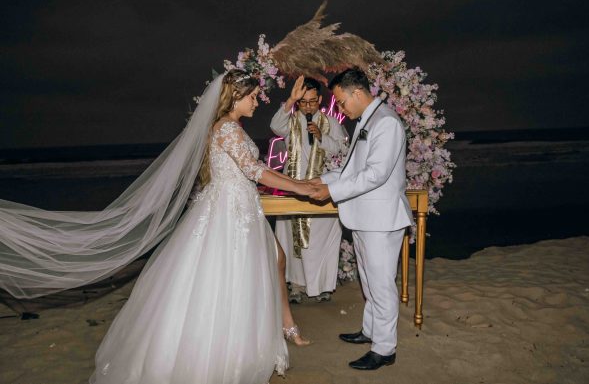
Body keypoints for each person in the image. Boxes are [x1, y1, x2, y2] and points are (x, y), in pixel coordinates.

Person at [88, 69, 314, 383]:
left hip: (241, 207)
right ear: (235, 97)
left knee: (265, 264)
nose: (256, 102)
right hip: (230, 213)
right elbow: (254, 170)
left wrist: (297, 184)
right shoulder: (227, 128)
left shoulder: (228, 126)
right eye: (251, 97)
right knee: (230, 276)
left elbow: (252, 168)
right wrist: (301, 188)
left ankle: (279, 329)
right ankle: (226, 353)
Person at [308, 68, 414, 371]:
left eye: (342, 102)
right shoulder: (367, 120)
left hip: (381, 218)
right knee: (368, 278)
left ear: (357, 93)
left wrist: (332, 191)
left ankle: (384, 348)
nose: (341, 109)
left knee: (381, 284)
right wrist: (322, 180)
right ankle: (370, 330)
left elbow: (376, 174)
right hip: (365, 216)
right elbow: (352, 169)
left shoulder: (386, 122)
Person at [270, 76, 347, 303]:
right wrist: (290, 100)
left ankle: (323, 286)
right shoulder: (290, 120)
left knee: (320, 241)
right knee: (292, 239)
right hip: (294, 189)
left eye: (312, 102)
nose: (308, 107)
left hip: (322, 190)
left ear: (320, 100)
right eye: (303, 102)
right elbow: (275, 126)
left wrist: (322, 137)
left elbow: (343, 151)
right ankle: (296, 286)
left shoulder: (331, 123)